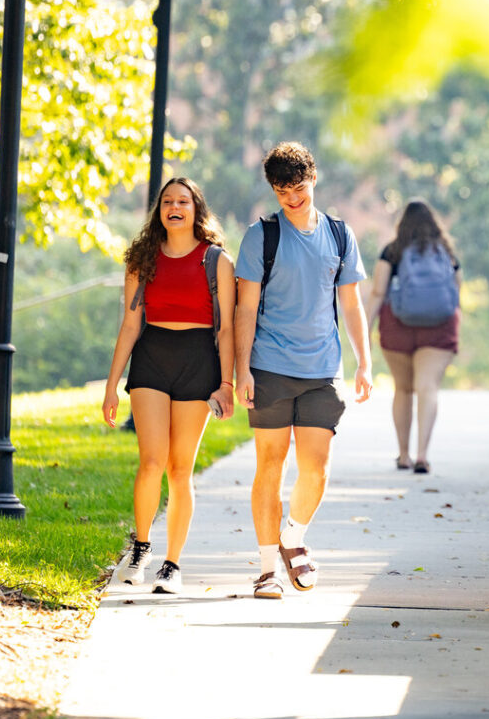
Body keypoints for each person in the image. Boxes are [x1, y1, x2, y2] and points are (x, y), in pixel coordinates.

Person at [234, 141, 372, 600]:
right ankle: (267, 567)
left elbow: (350, 303)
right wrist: (242, 369)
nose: (292, 198)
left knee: (316, 468)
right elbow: (245, 308)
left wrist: (364, 362)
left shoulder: (338, 235)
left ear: (314, 178)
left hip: (322, 369)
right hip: (270, 366)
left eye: (298, 188)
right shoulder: (261, 236)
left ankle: (293, 536)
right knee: (270, 465)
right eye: (282, 191)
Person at [103, 177, 236, 595]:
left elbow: (228, 329)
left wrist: (227, 383)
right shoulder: (142, 259)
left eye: (183, 201)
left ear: (197, 209)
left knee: (180, 470)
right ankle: (141, 548)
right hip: (152, 357)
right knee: (151, 461)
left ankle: (172, 565)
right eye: (167, 201)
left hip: (199, 361)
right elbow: (129, 324)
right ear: (159, 210)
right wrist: (111, 385)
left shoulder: (217, 262)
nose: (174, 207)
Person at [365, 200, 461, 474]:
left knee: (403, 389)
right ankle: (422, 455)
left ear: (402, 223)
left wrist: (366, 330)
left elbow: (378, 293)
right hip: (439, 327)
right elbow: (456, 292)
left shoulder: (392, 251)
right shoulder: (445, 251)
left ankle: (404, 455)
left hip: (398, 326)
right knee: (427, 387)